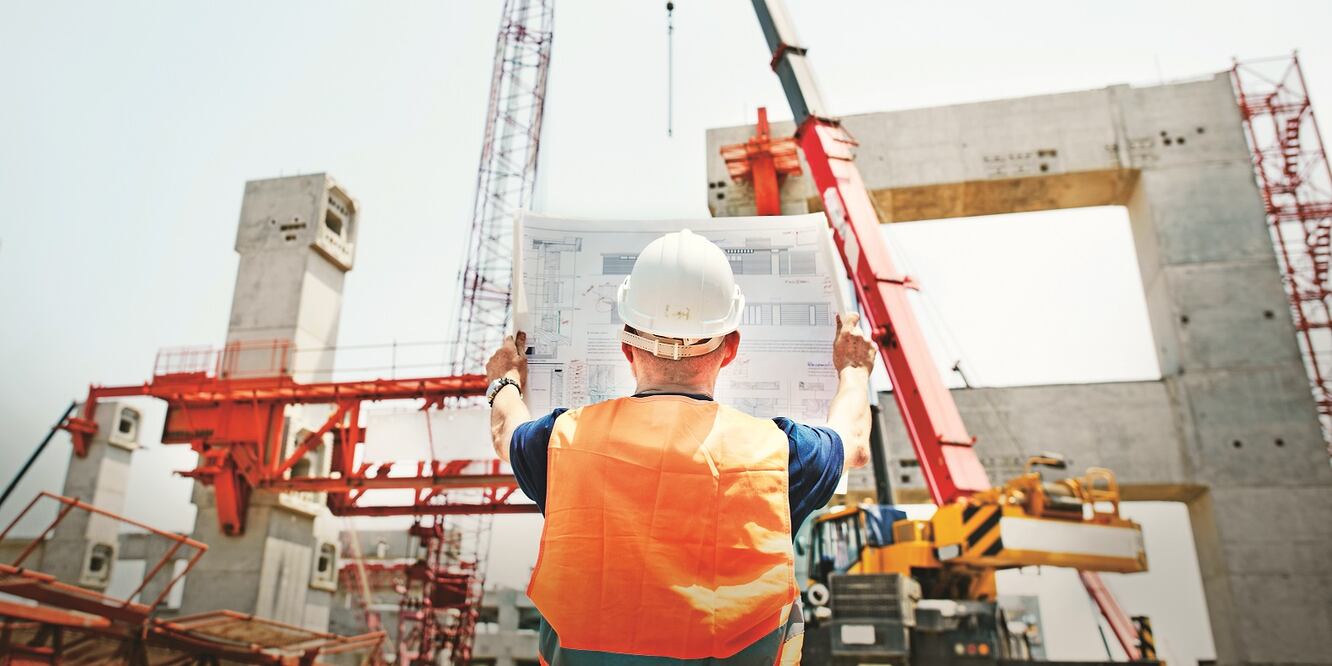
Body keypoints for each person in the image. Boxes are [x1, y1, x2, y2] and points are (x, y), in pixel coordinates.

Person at [485, 229, 874, 665]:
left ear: (627, 347)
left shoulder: (560, 442)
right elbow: (854, 442)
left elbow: (506, 430)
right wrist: (854, 370)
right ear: (730, 349)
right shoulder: (780, 454)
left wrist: (505, 380)